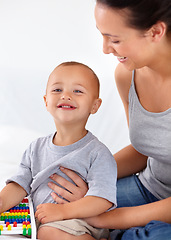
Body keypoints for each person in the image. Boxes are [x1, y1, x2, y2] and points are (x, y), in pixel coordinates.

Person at [46, 1, 171, 239]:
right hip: (147, 187)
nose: (105, 49)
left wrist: (107, 218)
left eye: (114, 39)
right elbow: (145, 148)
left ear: (156, 32)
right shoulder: (127, 74)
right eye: (102, 36)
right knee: (55, 211)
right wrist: (92, 176)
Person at [0, 61, 117, 240]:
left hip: (78, 219)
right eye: (57, 90)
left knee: (48, 232)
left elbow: (102, 199)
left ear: (95, 105)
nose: (66, 96)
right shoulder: (35, 148)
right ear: (46, 101)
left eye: (77, 91)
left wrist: (63, 211)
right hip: (40, 218)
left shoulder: (98, 153)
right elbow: (19, 185)